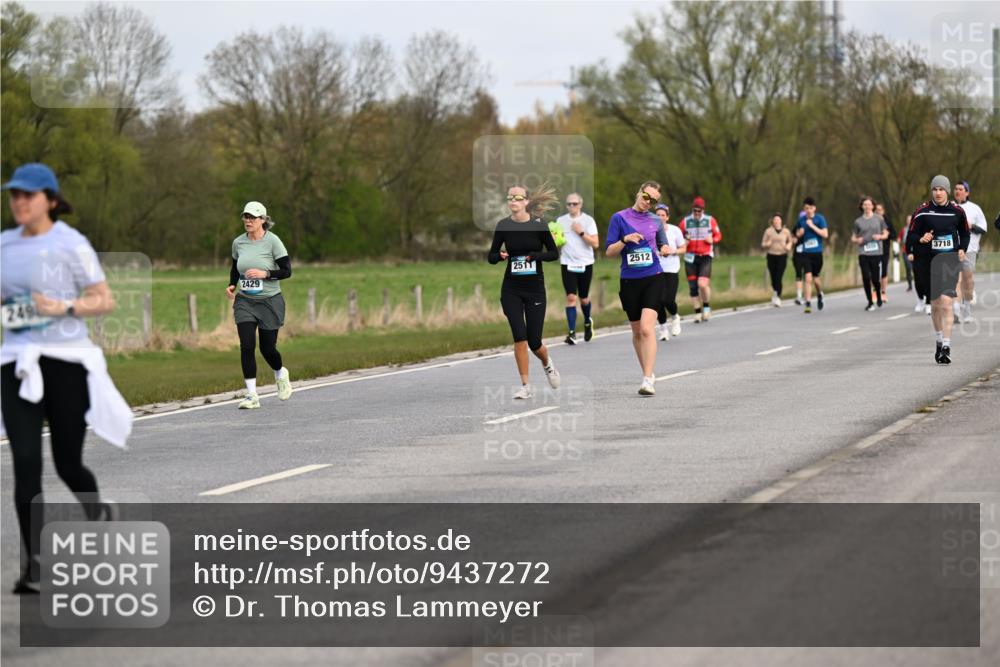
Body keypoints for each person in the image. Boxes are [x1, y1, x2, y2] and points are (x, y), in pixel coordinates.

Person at [0, 163, 132, 594]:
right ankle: (35, 564)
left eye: (28, 195)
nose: (19, 201)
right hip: (17, 362)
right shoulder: (4, 245)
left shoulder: (71, 243)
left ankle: (97, 514)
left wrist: (63, 308)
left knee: (67, 462)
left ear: (51, 201)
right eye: (14, 195)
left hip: (66, 361)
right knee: (25, 464)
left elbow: (104, 299)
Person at [488, 184, 561, 399]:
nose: (513, 201)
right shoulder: (503, 225)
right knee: (519, 335)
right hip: (511, 287)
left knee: (534, 341)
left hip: (535, 289)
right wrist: (499, 256)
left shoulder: (539, 225)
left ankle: (547, 363)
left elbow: (553, 254)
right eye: (510, 197)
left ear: (526, 202)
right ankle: (525, 385)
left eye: (518, 198)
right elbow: (491, 256)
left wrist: (535, 256)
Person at [226, 202, 293, 409]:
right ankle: (252, 395)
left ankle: (280, 373)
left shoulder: (273, 242)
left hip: (270, 301)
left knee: (267, 348)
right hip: (245, 300)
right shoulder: (238, 242)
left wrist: (265, 274)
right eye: (245, 217)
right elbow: (235, 268)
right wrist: (231, 285)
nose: (248, 221)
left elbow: (287, 270)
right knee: (246, 345)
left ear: (263, 220)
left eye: (252, 217)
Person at [605, 181, 670, 395]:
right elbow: (609, 252)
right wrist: (625, 239)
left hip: (653, 277)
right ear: (638, 193)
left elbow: (663, 244)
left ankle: (647, 380)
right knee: (636, 331)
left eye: (653, 200)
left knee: (645, 329)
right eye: (646, 196)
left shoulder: (655, 221)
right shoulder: (619, 218)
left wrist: (667, 248)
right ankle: (648, 374)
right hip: (629, 281)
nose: (647, 202)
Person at [906, 175, 970, 364]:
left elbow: (964, 234)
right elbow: (910, 236)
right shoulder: (922, 211)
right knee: (935, 305)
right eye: (935, 189)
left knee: (946, 303)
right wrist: (921, 238)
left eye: (942, 189)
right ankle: (938, 340)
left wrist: (961, 249)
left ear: (947, 191)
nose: (938, 192)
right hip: (927, 262)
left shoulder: (957, 211)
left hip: (948, 261)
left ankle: (947, 347)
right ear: (932, 191)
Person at [554, 192, 599, 344]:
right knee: (571, 297)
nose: (572, 206)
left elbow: (596, 243)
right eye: (569, 204)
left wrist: (581, 232)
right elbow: (557, 241)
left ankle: (587, 322)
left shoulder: (588, 220)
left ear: (580, 204)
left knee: (584, 299)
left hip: (585, 263)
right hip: (568, 263)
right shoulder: (560, 221)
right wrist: (555, 240)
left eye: (574, 204)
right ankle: (572, 333)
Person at [678, 196, 722, 322]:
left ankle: (706, 307)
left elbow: (719, 235)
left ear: (703, 210)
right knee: (692, 286)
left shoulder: (710, 220)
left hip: (705, 256)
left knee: (702, 284)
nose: (697, 213)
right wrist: (683, 243)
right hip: (690, 257)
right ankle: (697, 312)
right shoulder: (685, 222)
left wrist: (713, 240)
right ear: (692, 209)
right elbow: (677, 236)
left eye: (699, 211)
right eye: (695, 211)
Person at [952, 180, 989, 324]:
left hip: (970, 250)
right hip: (953, 249)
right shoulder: (949, 207)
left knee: (967, 281)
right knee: (956, 279)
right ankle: (955, 310)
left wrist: (971, 225)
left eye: (961, 189)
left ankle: (966, 310)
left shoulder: (975, 209)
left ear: (967, 192)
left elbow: (984, 229)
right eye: (955, 189)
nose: (957, 191)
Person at [653, 203, 686, 339]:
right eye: (657, 215)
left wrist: (674, 251)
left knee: (668, 299)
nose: (660, 217)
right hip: (655, 269)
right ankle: (662, 329)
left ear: (667, 217)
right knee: (658, 300)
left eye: (662, 215)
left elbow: (683, 248)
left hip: (671, 269)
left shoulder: (675, 230)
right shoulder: (650, 230)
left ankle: (675, 316)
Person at [852, 196, 889, 311]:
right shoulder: (858, 221)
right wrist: (857, 240)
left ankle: (878, 295)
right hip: (863, 252)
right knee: (865, 277)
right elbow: (853, 237)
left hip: (876, 252)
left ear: (873, 206)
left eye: (869, 204)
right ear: (862, 207)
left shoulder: (879, 219)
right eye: (865, 205)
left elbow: (886, 234)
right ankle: (869, 302)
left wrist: (880, 236)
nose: (867, 206)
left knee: (875, 278)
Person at [794, 196, 828, 313]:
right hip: (806, 254)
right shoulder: (801, 220)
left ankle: (819, 294)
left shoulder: (820, 219)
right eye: (806, 208)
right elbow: (797, 234)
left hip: (817, 253)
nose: (808, 210)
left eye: (810, 208)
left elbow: (825, 234)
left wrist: (812, 226)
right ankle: (808, 303)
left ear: (814, 208)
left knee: (816, 280)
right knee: (807, 278)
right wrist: (800, 234)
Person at [761, 213, 793, 306]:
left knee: (779, 276)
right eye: (775, 220)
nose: (776, 221)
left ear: (781, 221)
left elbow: (790, 241)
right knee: (773, 277)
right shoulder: (768, 231)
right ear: (772, 221)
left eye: (778, 220)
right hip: (771, 255)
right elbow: (763, 243)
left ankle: (778, 296)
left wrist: (788, 246)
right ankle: (775, 292)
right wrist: (767, 244)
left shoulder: (786, 231)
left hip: (782, 255)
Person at [875, 202, 894, 303]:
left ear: (883, 211)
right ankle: (875, 291)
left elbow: (893, 234)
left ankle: (883, 292)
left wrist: (885, 234)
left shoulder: (887, 221)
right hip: (873, 250)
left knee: (883, 272)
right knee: (873, 271)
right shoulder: (872, 220)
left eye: (880, 210)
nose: (878, 212)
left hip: (884, 249)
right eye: (876, 210)